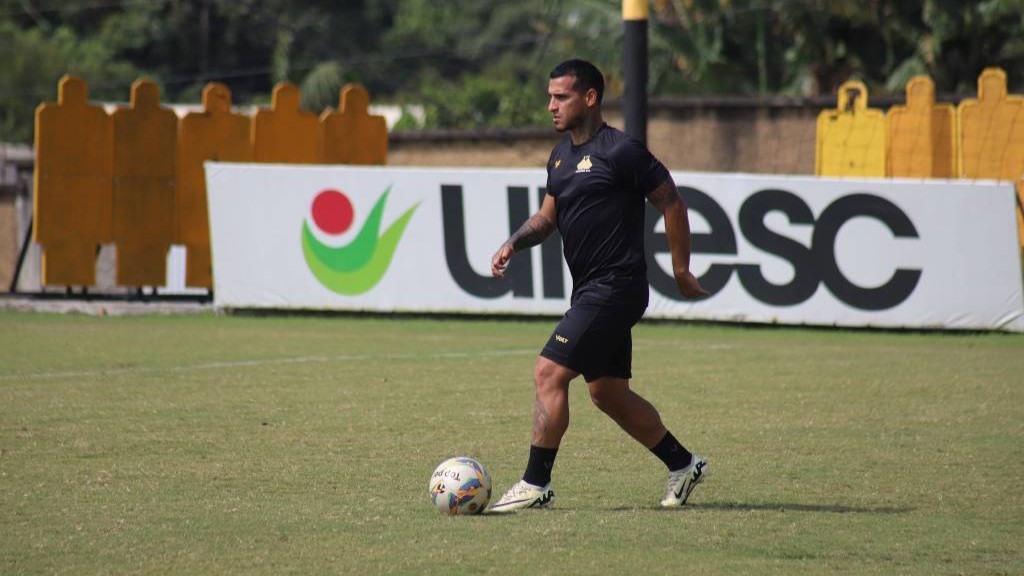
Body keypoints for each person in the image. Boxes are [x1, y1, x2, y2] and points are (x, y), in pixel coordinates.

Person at [486, 59, 711, 513]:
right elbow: (546, 219)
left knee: (549, 372)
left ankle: (535, 483)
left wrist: (681, 270)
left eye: (561, 96)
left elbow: (672, 202)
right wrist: (514, 241)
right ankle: (684, 464)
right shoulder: (559, 157)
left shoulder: (621, 151)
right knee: (607, 393)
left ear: (589, 97)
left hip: (617, 286)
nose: (551, 106)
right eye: (549, 96)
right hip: (590, 289)